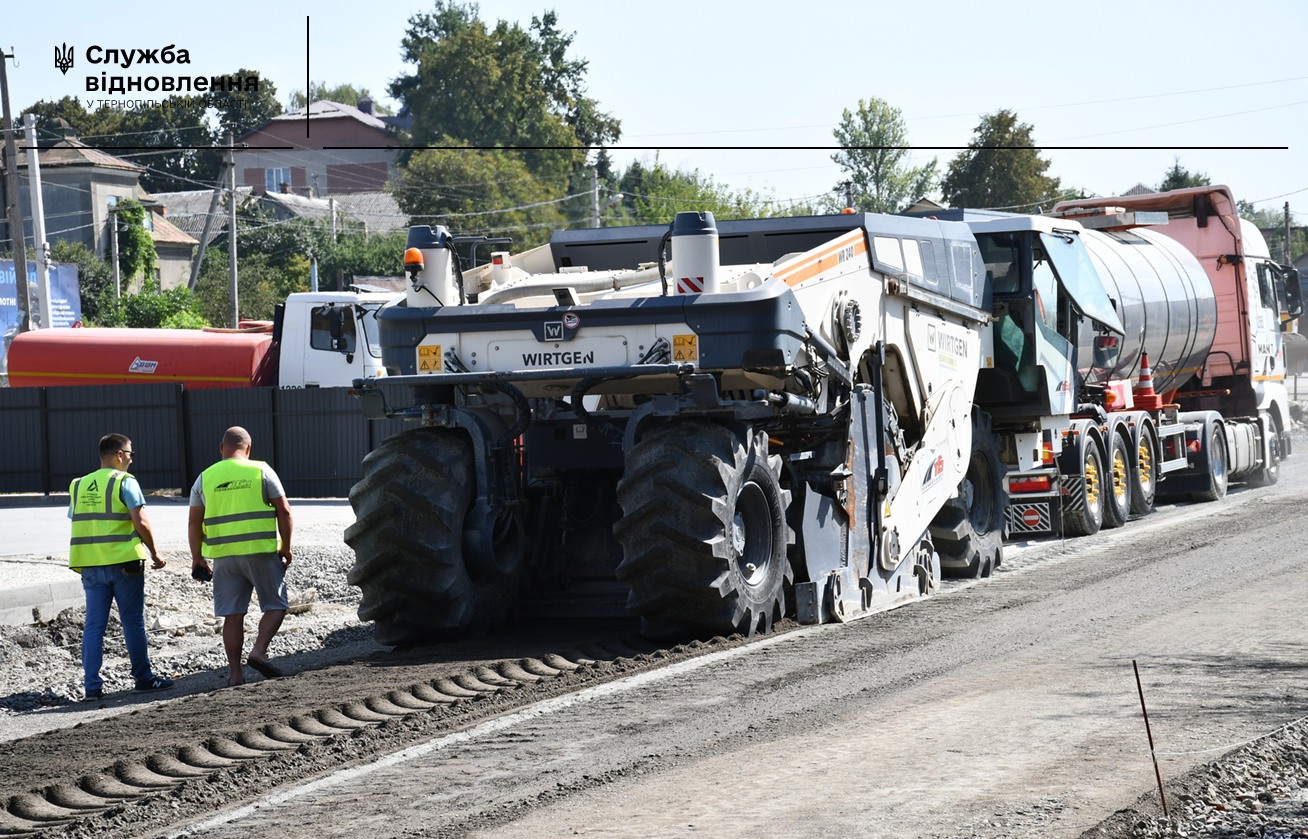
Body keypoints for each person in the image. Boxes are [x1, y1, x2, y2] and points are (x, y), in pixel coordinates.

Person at [69, 433, 174, 701]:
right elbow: (141, 523)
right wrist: (155, 552)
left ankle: (92, 687)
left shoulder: (78, 484)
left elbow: (81, 519)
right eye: (130, 454)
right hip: (125, 563)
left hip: (90, 565)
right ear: (119, 454)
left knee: (94, 626)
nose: (131, 458)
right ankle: (143, 679)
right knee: (132, 622)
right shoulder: (125, 481)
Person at [189, 426, 293, 686]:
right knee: (275, 605)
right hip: (260, 552)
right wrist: (286, 547)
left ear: (221, 448)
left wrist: (197, 557)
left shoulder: (205, 477)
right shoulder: (261, 470)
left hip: (224, 557)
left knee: (233, 615)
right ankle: (259, 651)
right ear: (248, 448)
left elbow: (193, 522)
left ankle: (236, 675)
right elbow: (285, 511)